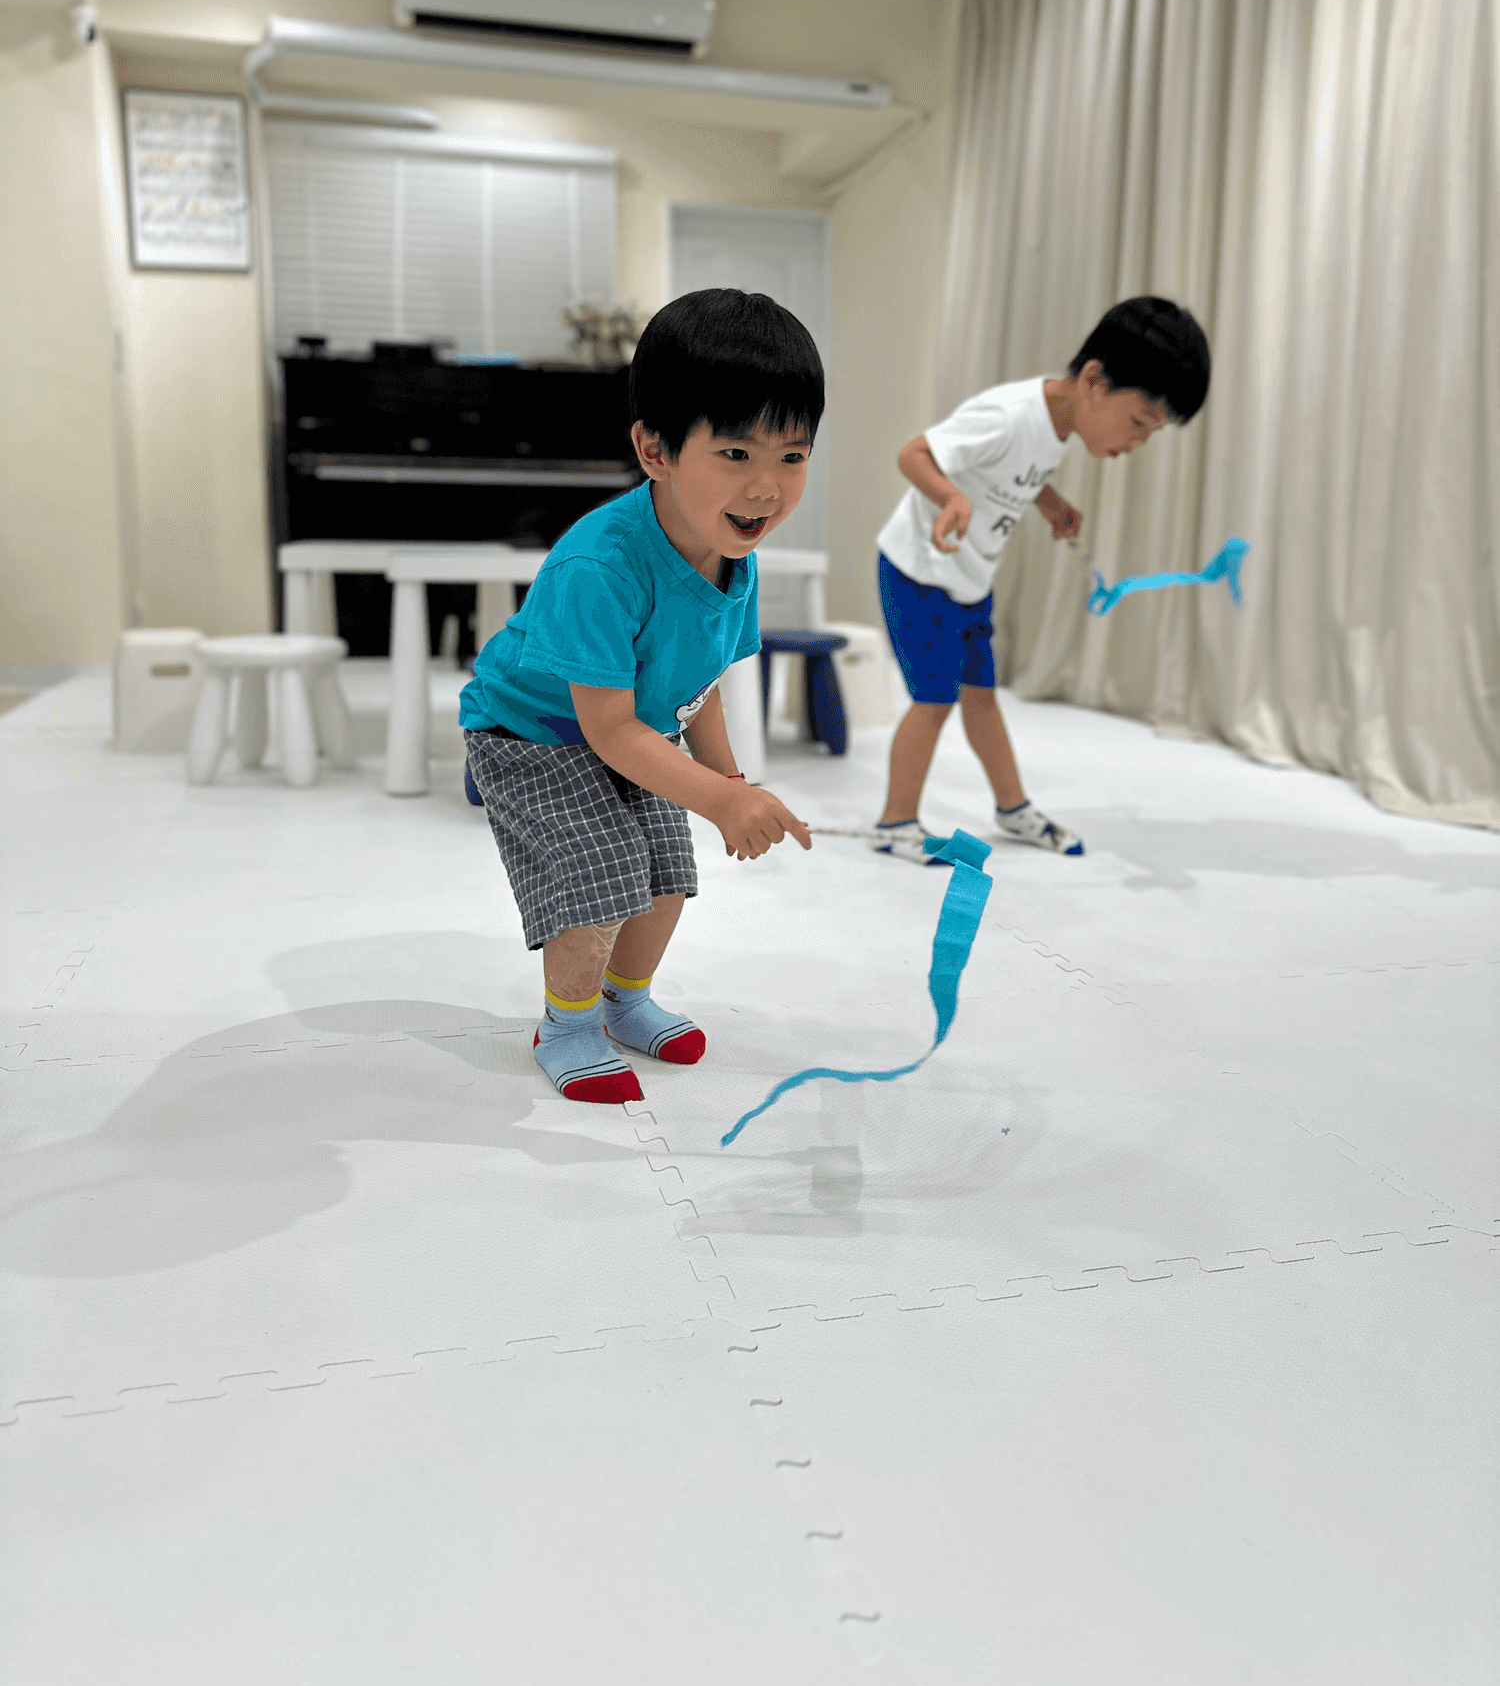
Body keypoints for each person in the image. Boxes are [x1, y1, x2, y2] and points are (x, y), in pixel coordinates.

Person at [461, 289, 819, 1103]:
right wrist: (723, 800)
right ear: (654, 451)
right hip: (532, 734)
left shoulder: (738, 549)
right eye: (736, 454)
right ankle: (569, 1025)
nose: (767, 487)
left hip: (635, 728)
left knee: (666, 875)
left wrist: (729, 786)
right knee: (601, 868)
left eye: (792, 457)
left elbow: (704, 684)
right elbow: (612, 731)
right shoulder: (600, 566)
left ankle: (623, 1004)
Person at [871, 296, 1211, 864]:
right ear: (1095, 381)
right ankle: (894, 822)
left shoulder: (1058, 424)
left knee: (981, 697)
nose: (1136, 444)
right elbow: (914, 454)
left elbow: (1013, 473)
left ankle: (1011, 808)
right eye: (1137, 424)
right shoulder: (1009, 414)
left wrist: (1050, 504)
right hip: (921, 572)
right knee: (933, 701)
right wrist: (950, 497)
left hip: (970, 579)